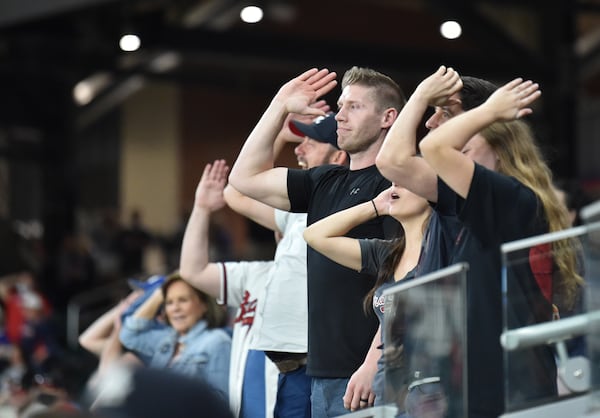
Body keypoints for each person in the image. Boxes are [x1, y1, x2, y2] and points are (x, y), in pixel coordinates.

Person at [377, 66, 583, 417]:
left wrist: (480, 110)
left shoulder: (513, 198)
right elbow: (392, 160)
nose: (432, 124)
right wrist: (424, 98)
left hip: (510, 388)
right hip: (468, 387)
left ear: (498, 139)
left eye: (448, 116)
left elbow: (434, 147)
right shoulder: (461, 199)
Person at [229, 67, 405, 417]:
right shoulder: (325, 179)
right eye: (340, 105)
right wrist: (278, 105)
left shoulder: (398, 183)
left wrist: (375, 360)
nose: (339, 115)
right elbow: (243, 178)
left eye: (354, 106)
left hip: (370, 373)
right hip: (322, 371)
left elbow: (404, 279)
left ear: (388, 117)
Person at [179, 111, 348, 418]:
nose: (299, 148)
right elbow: (238, 192)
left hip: (323, 362)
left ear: (339, 155)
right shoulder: (296, 214)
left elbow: (241, 191)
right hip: (292, 366)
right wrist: (279, 134)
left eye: (310, 141)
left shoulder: (349, 205)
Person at [302, 181, 435, 407]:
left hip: (427, 395)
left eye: (405, 179)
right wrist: (376, 205)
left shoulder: (440, 252)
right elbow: (315, 235)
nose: (395, 185)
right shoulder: (387, 253)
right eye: (393, 181)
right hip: (389, 394)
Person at [119, 272, 231, 399]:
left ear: (204, 305)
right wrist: (160, 293)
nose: (175, 308)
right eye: (169, 302)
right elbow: (129, 335)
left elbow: (221, 402)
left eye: (183, 300)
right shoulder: (166, 340)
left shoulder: (217, 341)